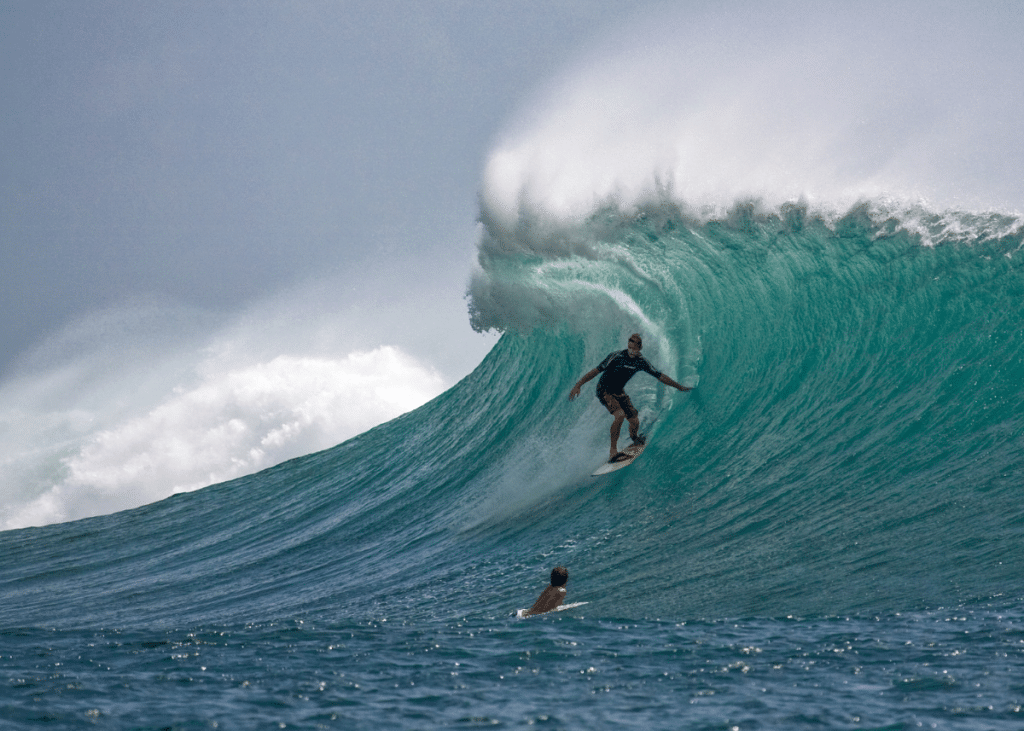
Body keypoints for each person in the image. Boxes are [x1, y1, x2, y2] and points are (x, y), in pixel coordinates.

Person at [569, 333, 691, 462]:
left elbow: (660, 376)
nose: (631, 351)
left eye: (634, 349)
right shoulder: (616, 356)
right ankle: (613, 452)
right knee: (620, 414)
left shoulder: (641, 362)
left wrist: (679, 387)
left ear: (639, 348)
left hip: (618, 391)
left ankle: (634, 438)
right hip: (604, 390)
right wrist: (578, 385)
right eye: (629, 348)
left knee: (634, 421)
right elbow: (596, 371)